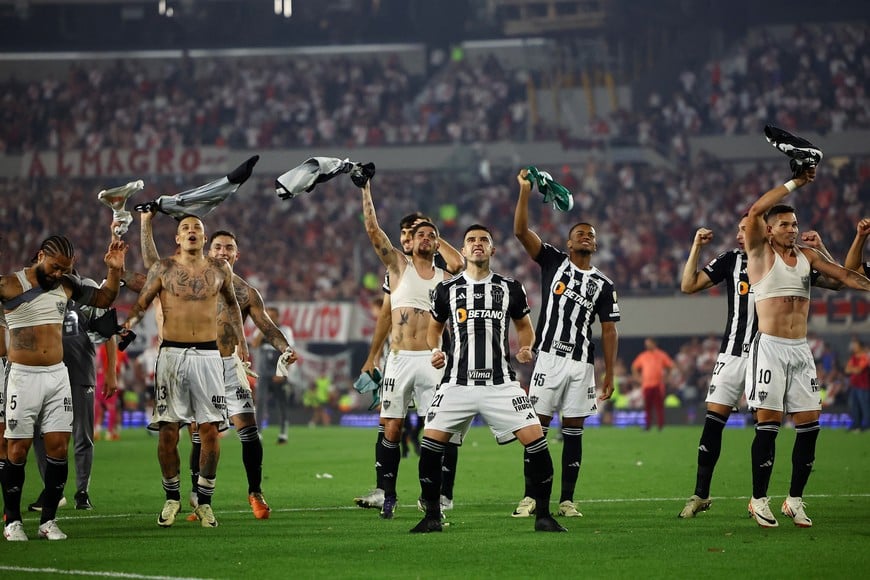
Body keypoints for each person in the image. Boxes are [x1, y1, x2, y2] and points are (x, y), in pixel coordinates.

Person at [139, 210, 296, 520]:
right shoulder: (189, 280)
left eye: (229, 248)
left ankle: (255, 492)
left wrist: (284, 346)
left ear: (237, 254)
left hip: (229, 364)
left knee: (248, 430)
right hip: (195, 361)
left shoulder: (246, 292)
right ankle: (198, 498)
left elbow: (266, 326)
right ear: (209, 249)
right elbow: (152, 264)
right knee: (200, 432)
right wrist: (146, 223)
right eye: (219, 248)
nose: (223, 252)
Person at [411, 224, 565, 533]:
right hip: (456, 383)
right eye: (471, 240)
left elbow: (523, 325)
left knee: (536, 442)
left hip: (501, 384)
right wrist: (435, 350)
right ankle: (431, 517)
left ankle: (544, 516)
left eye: (484, 240)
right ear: (464, 251)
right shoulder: (446, 290)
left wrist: (525, 347)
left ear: (492, 250)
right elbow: (434, 329)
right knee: (430, 445)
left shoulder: (510, 287)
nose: (477, 244)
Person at [743, 166, 870, 528]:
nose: (791, 230)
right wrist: (795, 182)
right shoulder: (759, 254)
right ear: (769, 229)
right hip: (769, 347)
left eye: (794, 224)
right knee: (768, 425)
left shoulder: (807, 257)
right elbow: (753, 211)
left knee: (810, 425)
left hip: (800, 350)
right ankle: (758, 499)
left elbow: (844, 276)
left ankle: (794, 500)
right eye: (784, 224)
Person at [122, 214, 248, 529]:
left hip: (209, 355)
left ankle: (204, 502)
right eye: (185, 228)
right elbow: (141, 303)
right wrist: (128, 327)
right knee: (168, 430)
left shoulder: (220, 270)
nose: (191, 231)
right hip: (171, 355)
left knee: (209, 430)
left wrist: (240, 342)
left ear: (204, 239)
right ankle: (172, 497)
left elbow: (232, 305)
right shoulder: (163, 269)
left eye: (197, 228)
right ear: (177, 238)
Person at [1, 235, 126, 541]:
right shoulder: (9, 285)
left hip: (58, 375)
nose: (59, 273)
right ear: (41, 255)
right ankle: (13, 521)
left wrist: (114, 271)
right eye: (55, 267)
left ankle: (48, 522)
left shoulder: (67, 285)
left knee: (58, 447)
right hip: (21, 375)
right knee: (17, 449)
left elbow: (104, 299)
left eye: (65, 269)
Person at [511, 168, 620, 519]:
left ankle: (567, 499)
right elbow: (520, 232)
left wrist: (609, 373)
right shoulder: (553, 261)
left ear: (595, 244)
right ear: (569, 243)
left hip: (581, 364)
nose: (586, 237)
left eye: (591, 235)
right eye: (579, 234)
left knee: (573, 431)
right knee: (536, 429)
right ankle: (531, 497)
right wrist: (526, 191)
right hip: (548, 360)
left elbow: (609, 330)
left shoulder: (603, 284)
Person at [356, 183, 459, 520]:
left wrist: (432, 231)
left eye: (432, 235)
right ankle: (386, 493)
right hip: (398, 359)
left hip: (432, 359)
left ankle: (439, 497)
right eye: (419, 236)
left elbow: (459, 264)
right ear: (409, 242)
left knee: (440, 428)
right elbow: (373, 229)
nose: (426, 239)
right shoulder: (398, 268)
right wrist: (365, 188)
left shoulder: (444, 275)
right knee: (390, 427)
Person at [677, 219, 757, 517]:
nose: (737, 235)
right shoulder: (731, 260)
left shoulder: (781, 259)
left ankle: (759, 499)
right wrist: (697, 247)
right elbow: (688, 285)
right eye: (737, 229)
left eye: (744, 230)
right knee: (713, 420)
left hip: (767, 353)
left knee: (765, 426)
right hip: (732, 354)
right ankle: (700, 494)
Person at [28, 285, 119, 514]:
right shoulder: (35, 292)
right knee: (40, 434)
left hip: (79, 371)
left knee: (82, 434)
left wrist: (110, 372)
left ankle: (82, 492)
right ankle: (52, 491)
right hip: (44, 372)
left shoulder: (85, 293)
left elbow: (108, 329)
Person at [253, 306, 298, 445]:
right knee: (260, 402)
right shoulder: (260, 330)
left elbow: (290, 352)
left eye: (272, 315)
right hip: (264, 373)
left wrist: (283, 372)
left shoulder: (285, 331)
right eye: (267, 315)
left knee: (282, 403)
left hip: (278, 372)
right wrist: (263, 329)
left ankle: (283, 433)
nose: (270, 318)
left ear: (278, 317)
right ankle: (258, 433)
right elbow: (254, 344)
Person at [631, 338, 675, 431]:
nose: (647, 345)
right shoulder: (643, 356)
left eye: (649, 343)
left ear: (654, 344)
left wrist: (667, 377)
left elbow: (670, 366)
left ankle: (660, 426)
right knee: (648, 407)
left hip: (658, 384)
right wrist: (638, 378)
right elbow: (634, 367)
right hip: (647, 385)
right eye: (646, 344)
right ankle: (648, 425)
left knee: (659, 407)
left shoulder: (661, 355)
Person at [844, 338, 870, 432]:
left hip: (863, 386)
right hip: (854, 385)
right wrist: (854, 369)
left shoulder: (865, 357)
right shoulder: (854, 357)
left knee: (864, 406)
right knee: (854, 406)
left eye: (855, 345)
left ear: (860, 347)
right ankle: (856, 424)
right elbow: (847, 370)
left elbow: (859, 370)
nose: (853, 347)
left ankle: (867, 424)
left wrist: (853, 369)